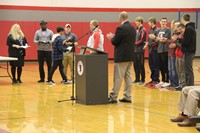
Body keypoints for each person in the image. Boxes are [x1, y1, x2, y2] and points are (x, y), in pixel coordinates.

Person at [106, 11, 136, 103]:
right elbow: (124, 39)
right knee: (128, 77)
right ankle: (127, 96)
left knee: (118, 77)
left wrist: (111, 38)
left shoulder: (121, 28)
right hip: (130, 56)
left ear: (120, 18)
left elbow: (115, 42)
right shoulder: (132, 28)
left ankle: (113, 96)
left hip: (122, 57)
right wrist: (114, 36)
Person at [151, 17, 171, 88]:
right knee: (161, 66)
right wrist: (153, 38)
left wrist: (156, 38)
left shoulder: (168, 30)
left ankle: (167, 80)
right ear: (160, 22)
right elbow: (156, 40)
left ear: (166, 22)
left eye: (164, 21)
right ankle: (162, 80)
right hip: (159, 50)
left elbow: (164, 40)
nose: (163, 23)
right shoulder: (158, 30)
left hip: (165, 50)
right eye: (162, 21)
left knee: (166, 66)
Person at [180, 14, 196, 86]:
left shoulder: (189, 29)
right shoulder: (189, 28)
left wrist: (180, 39)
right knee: (187, 70)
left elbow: (187, 41)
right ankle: (188, 85)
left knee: (188, 70)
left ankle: (190, 86)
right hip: (188, 51)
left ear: (183, 19)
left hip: (189, 52)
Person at [144, 17, 159, 87]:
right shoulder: (150, 30)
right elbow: (149, 40)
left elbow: (157, 41)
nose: (148, 23)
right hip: (150, 50)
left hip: (155, 50)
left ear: (152, 22)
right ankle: (152, 79)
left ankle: (156, 79)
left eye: (149, 22)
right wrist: (147, 44)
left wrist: (150, 44)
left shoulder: (157, 30)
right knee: (151, 65)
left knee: (156, 65)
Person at [170, 23, 186, 91]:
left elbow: (182, 45)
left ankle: (183, 85)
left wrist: (176, 41)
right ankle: (180, 84)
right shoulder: (179, 35)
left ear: (183, 29)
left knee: (182, 71)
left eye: (180, 29)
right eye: (178, 29)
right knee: (178, 71)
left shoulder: (184, 36)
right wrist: (175, 40)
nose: (179, 30)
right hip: (177, 55)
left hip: (182, 55)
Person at [132, 16, 147, 85]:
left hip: (140, 50)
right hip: (135, 50)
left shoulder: (143, 30)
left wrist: (134, 43)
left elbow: (142, 40)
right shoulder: (136, 30)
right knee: (135, 65)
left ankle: (142, 79)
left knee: (141, 65)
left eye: (136, 21)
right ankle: (137, 78)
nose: (135, 23)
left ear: (140, 22)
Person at [166, 20, 179, 89]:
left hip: (174, 54)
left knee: (174, 69)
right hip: (170, 53)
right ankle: (171, 83)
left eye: (177, 25)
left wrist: (173, 42)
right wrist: (168, 41)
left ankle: (175, 83)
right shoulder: (174, 33)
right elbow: (171, 42)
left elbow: (175, 43)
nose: (175, 26)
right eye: (175, 25)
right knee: (170, 69)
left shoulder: (178, 34)